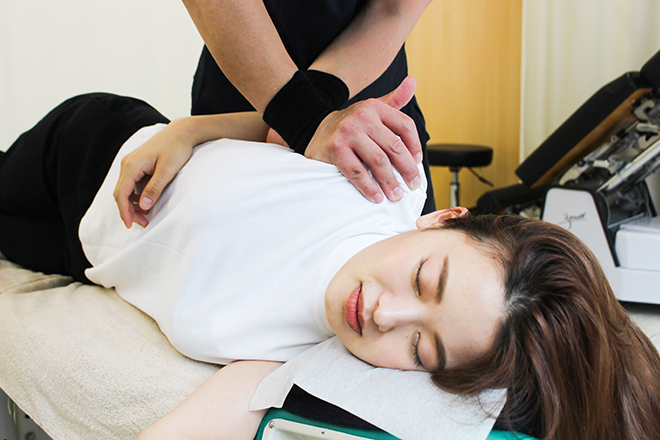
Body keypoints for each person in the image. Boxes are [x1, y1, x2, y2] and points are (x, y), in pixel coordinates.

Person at [1, 85, 659, 440]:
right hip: (99, 145)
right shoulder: (382, 180)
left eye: (423, 348)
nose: (384, 313)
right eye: (427, 278)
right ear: (444, 219)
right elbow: (275, 121)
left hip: (74, 253)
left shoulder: (312, 360)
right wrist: (187, 131)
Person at [114, 0, 437, 230]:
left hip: (371, 103)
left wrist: (308, 116)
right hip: (249, 83)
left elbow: (392, 8)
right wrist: (306, 119)